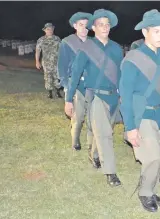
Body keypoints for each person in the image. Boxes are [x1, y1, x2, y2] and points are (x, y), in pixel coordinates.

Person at [119, 9, 160, 212]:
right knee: (152, 157)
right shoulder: (133, 59)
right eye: (156, 31)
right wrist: (131, 128)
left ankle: (151, 190)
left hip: (159, 113)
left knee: (159, 156)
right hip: (142, 115)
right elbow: (125, 95)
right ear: (145, 32)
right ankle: (144, 193)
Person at [64, 9, 123, 186]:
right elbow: (75, 74)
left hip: (114, 96)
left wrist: (122, 95)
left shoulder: (117, 48)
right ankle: (110, 172)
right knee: (105, 134)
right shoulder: (87, 48)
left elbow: (120, 73)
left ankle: (94, 155)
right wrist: (68, 99)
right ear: (93, 28)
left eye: (107, 24)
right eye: (100, 24)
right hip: (96, 96)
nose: (104, 27)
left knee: (106, 130)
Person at [58, 12, 94, 152]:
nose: (84, 28)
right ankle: (75, 140)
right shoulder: (67, 42)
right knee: (78, 116)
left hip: (91, 85)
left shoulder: (93, 42)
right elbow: (62, 66)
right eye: (81, 25)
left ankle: (91, 143)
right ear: (75, 26)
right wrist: (67, 87)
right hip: (76, 85)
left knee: (92, 116)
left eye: (86, 25)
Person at [36, 23, 62, 99]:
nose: (50, 30)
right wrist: (37, 61)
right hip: (46, 63)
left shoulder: (57, 39)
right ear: (45, 30)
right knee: (48, 77)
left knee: (57, 77)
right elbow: (38, 51)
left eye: (51, 29)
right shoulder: (41, 40)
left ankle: (58, 92)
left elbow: (62, 50)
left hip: (56, 62)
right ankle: (49, 93)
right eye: (48, 29)